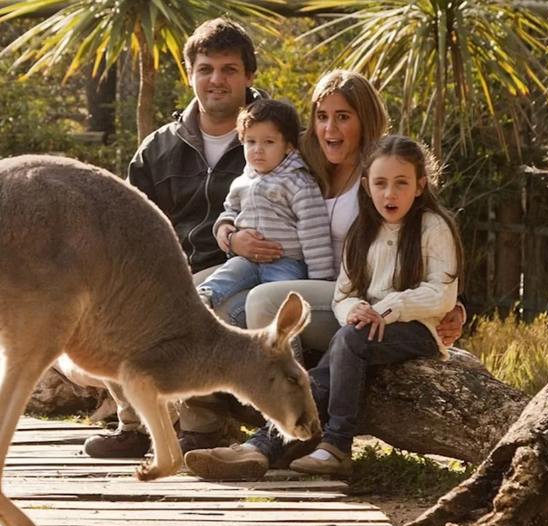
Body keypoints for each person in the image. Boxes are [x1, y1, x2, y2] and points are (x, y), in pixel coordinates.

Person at [186, 135, 464, 480]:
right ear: (367, 186)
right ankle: (261, 447)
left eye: (401, 183)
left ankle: (337, 445)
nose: (390, 194)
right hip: (366, 328)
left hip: (419, 330)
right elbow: (343, 294)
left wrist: (387, 309)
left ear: (420, 186)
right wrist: (355, 310)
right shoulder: (363, 231)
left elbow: (441, 294)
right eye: (380, 184)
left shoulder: (433, 227)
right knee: (326, 369)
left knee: (349, 340)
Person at [83, 18, 266, 459]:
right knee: (102, 302)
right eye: (206, 69)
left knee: (194, 304)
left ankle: (203, 428)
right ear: (190, 74)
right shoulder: (158, 147)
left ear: (249, 76)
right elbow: (129, 224)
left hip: (241, 267)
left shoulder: (275, 136)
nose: (216, 80)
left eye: (229, 69)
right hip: (170, 267)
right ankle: (138, 425)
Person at [215, 70, 466, 355]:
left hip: (353, 297)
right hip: (290, 275)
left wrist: (457, 306)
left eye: (343, 117)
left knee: (263, 302)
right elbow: (250, 189)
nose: (330, 128)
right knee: (224, 308)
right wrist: (230, 234)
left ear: (365, 120)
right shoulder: (299, 160)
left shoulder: (383, 174)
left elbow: (431, 234)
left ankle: (294, 382)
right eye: (322, 116)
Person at [196, 99, 335, 325]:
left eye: (268, 142)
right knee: (230, 272)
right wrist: (225, 227)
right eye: (250, 142)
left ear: (288, 146)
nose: (257, 150)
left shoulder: (298, 183)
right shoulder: (244, 180)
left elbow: (314, 232)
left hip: (286, 262)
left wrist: (320, 279)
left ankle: (285, 345)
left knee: (277, 309)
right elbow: (230, 209)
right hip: (246, 260)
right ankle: (204, 298)